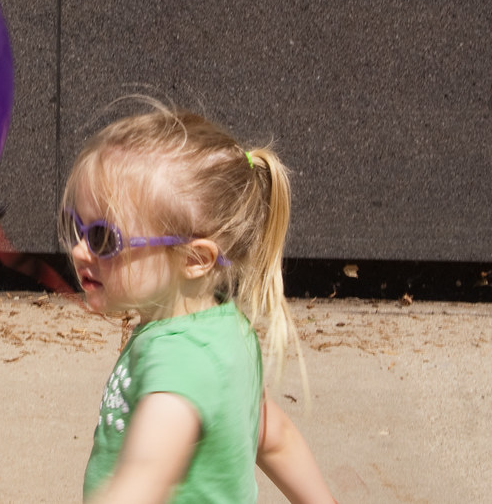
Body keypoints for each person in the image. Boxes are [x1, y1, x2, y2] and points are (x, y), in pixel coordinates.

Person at [62, 100, 335, 503]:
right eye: (75, 226)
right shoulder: (224, 328)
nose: (81, 251)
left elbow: (143, 479)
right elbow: (272, 437)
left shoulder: (178, 362)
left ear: (193, 259)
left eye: (104, 238)